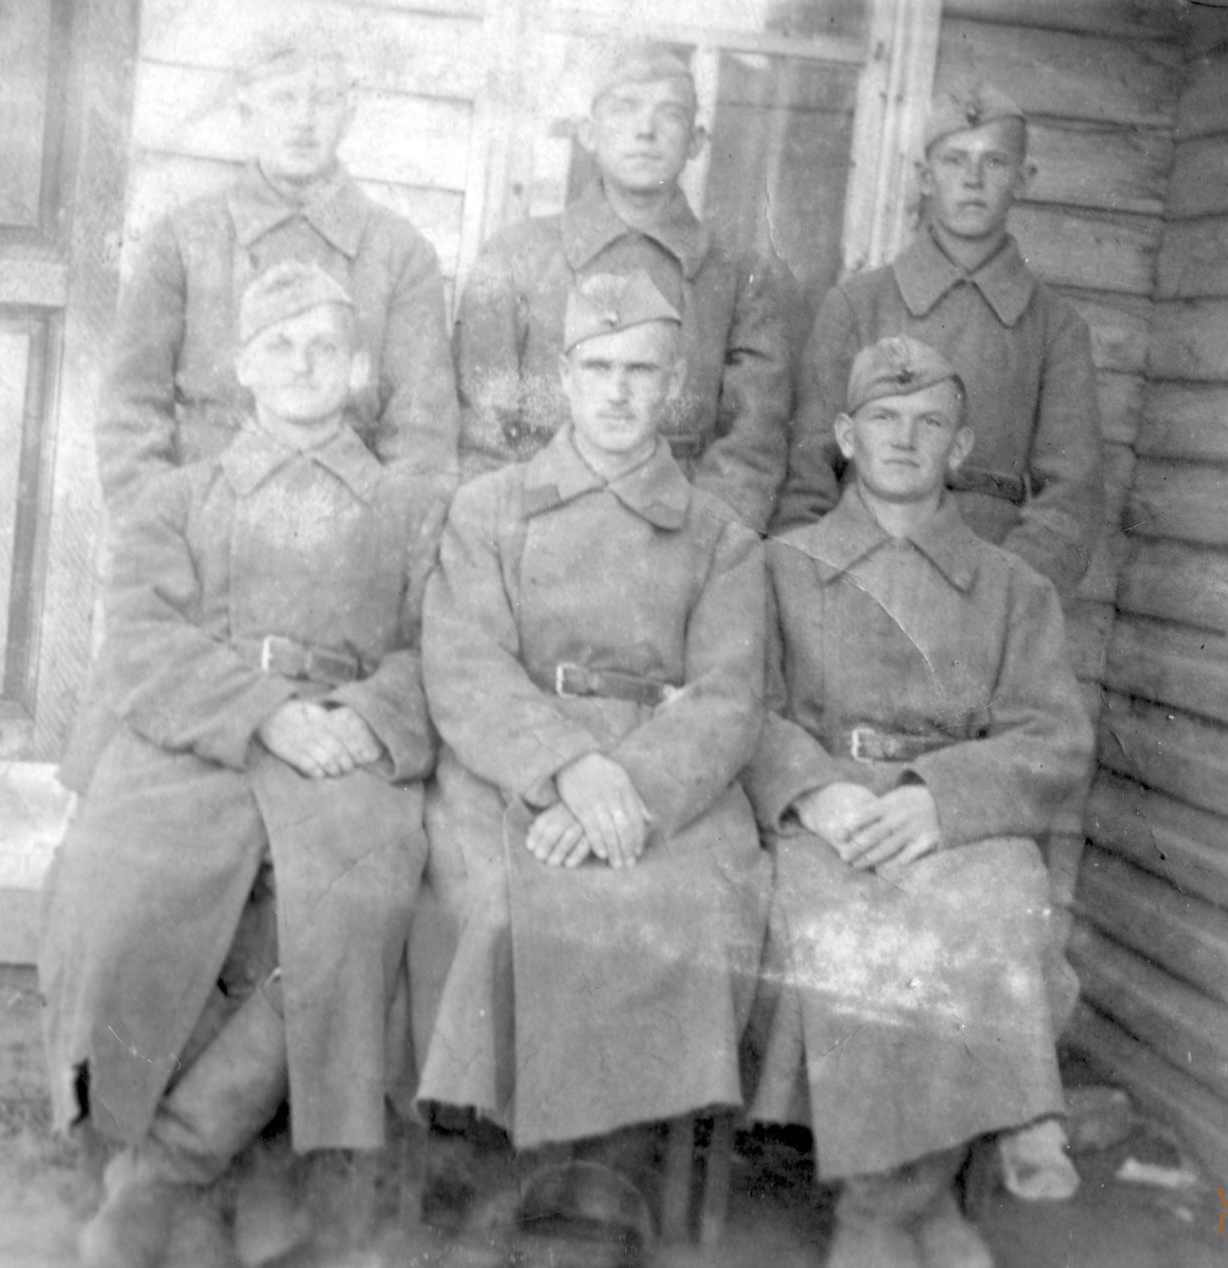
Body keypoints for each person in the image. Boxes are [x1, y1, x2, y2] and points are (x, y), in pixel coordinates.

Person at [39, 263, 445, 1268]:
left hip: (345, 750)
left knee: (353, 908)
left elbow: (441, 646)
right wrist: (263, 714)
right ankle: (134, 1154)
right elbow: (141, 641)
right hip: (201, 742)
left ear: (358, 368)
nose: (302, 365)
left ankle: (169, 1172)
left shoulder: (410, 507)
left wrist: (364, 717)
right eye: (279, 345)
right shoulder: (178, 498)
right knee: (124, 883)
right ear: (242, 366)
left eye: (324, 347)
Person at [413, 271, 770, 1251]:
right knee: (510, 900)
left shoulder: (721, 536)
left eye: (640, 371)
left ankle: (615, 1173)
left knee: (682, 906)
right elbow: (465, 665)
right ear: (563, 378)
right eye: (598, 367)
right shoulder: (490, 509)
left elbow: (731, 698)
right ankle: (518, 1173)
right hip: (516, 769)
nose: (617, 391)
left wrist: (631, 785)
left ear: (675, 388)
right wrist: (569, 766)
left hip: (669, 784)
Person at [744, 336, 1095, 1268]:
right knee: (851, 934)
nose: (905, 439)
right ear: (845, 436)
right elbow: (745, 707)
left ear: (962, 446)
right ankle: (917, 1208)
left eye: (930, 422)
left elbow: (1055, 740)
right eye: (884, 419)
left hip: (955, 820)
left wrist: (941, 798)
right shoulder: (780, 566)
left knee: (996, 907)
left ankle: (887, 1209)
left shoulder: (1013, 589)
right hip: (831, 819)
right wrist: (812, 792)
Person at [96, 23, 458, 517]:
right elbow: (130, 413)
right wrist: (162, 533)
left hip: (346, 527)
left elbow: (422, 443)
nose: (303, 120)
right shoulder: (183, 240)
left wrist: (382, 543)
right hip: (203, 522)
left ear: (350, 112)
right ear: (247, 111)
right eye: (284, 98)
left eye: (323, 99)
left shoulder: (400, 254)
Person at [773, 81, 1102, 599]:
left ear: (1024, 179)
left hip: (990, 585)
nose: (972, 179)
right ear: (925, 177)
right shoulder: (857, 305)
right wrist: (816, 584)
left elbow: (1069, 501)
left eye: (994, 162)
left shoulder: (1055, 329)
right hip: (858, 579)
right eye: (954, 160)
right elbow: (808, 473)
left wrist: (1002, 598)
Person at [452, 43, 793, 533]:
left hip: (677, 531)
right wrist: (512, 536)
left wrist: (697, 544)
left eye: (669, 114)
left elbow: (752, 448)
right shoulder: (515, 255)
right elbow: (483, 432)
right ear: (589, 134)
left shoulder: (740, 278)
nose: (645, 130)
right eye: (625, 108)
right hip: (536, 525)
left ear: (696, 141)